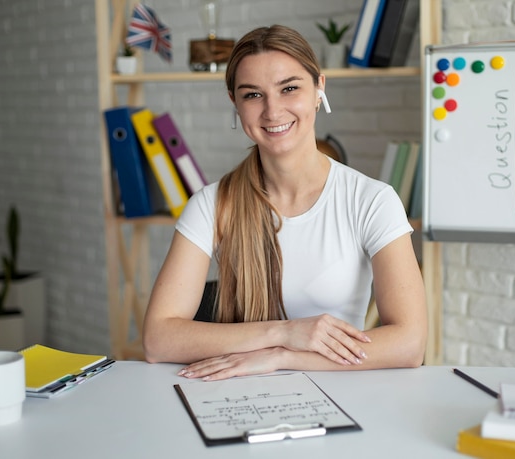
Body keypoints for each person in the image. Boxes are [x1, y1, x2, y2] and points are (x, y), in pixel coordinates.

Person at [143, 24, 427, 381]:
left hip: (343, 395)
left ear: (319, 89)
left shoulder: (371, 200)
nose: (272, 111)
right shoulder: (212, 204)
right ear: (235, 103)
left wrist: (280, 358)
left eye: (289, 88)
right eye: (253, 95)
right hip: (236, 395)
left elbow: (410, 343)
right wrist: (282, 333)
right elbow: (158, 339)